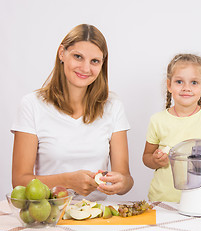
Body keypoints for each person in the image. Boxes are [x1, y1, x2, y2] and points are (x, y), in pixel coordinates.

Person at [11, 24, 133, 201]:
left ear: (102, 64)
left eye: (94, 61)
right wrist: (68, 181)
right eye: (78, 57)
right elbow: (20, 182)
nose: (85, 68)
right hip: (48, 215)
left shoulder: (113, 105)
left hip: (96, 217)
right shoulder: (32, 105)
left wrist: (122, 182)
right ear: (62, 53)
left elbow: (126, 180)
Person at [142, 54, 201, 202]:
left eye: (194, 82)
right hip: (162, 198)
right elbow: (146, 157)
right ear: (169, 85)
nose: (186, 88)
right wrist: (156, 160)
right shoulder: (157, 120)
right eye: (179, 81)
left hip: (199, 198)